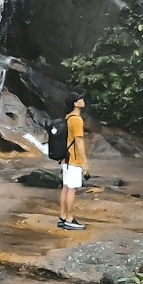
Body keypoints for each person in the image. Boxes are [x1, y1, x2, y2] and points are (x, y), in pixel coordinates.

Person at [58, 92, 89, 230]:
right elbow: (79, 142)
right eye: (80, 99)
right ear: (75, 103)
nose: (83, 100)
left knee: (65, 188)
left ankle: (62, 217)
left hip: (65, 159)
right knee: (71, 189)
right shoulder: (76, 120)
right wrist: (85, 162)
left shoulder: (67, 118)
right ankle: (70, 219)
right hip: (74, 160)